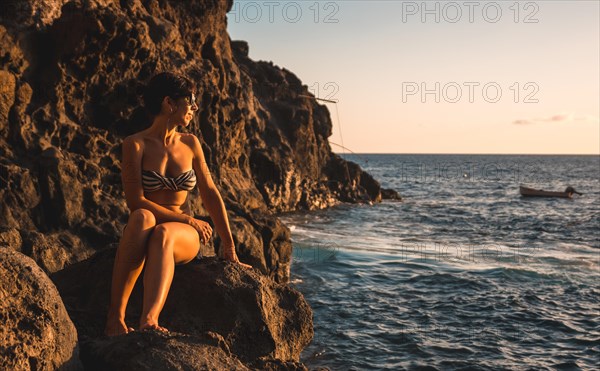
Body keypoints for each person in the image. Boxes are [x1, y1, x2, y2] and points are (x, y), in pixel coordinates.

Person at [104, 72, 252, 337]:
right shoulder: (135, 144)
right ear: (169, 103)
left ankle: (149, 319)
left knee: (162, 233)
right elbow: (136, 200)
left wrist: (229, 247)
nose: (194, 107)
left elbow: (209, 192)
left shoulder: (191, 143)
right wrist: (190, 219)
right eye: (190, 100)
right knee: (140, 217)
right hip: (154, 225)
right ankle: (115, 318)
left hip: (180, 237)